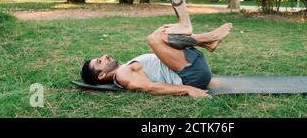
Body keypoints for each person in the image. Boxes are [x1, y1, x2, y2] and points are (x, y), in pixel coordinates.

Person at [81, 23, 232, 98]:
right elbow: (150, 87)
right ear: (101, 75)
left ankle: (207, 42)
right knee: (154, 38)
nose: (105, 56)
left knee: (164, 31)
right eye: (100, 62)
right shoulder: (122, 75)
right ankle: (208, 39)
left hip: (189, 65)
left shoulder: (125, 67)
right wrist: (189, 89)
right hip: (191, 75)